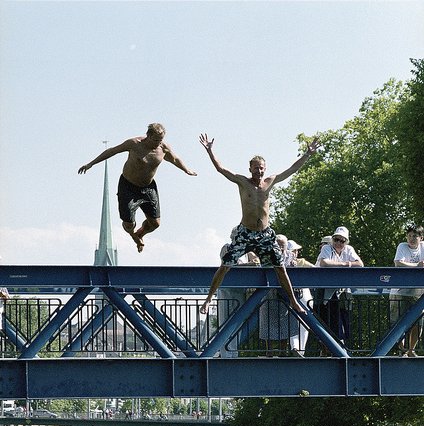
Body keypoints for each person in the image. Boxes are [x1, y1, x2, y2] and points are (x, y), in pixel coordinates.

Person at [198, 133, 319, 315]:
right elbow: (221, 169)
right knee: (225, 265)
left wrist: (307, 154)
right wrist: (210, 151)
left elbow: (292, 169)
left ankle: (293, 301)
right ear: (250, 169)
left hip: (264, 234)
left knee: (280, 267)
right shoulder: (242, 181)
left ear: (265, 168)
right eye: (256, 168)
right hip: (245, 233)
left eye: (261, 168)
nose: (259, 171)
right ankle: (208, 299)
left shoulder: (270, 181)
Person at [78, 123, 197, 253]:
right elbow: (112, 151)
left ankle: (140, 234)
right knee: (128, 224)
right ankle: (132, 234)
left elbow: (174, 159)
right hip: (128, 186)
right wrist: (91, 164)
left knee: (155, 224)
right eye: (156, 140)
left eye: (161, 140)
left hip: (148, 188)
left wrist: (186, 170)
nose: (158, 143)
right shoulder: (134, 144)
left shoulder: (163, 148)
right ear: (148, 136)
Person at [316, 226, 364, 348]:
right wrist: (346, 264)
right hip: (323, 290)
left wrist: (343, 264)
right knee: (324, 322)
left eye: (342, 241)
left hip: (341, 291)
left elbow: (360, 264)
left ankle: (339, 348)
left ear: (346, 242)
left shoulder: (349, 249)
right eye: (336, 239)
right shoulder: (327, 248)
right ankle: (328, 349)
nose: (338, 243)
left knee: (343, 320)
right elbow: (324, 263)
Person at [390, 223, 424, 357]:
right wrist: (417, 265)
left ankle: (411, 350)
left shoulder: (423, 247)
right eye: (409, 236)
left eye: (414, 236)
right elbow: (398, 263)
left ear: (421, 237)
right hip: (400, 291)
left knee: (418, 322)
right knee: (398, 322)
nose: (411, 239)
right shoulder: (402, 246)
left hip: (419, 293)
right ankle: (402, 350)